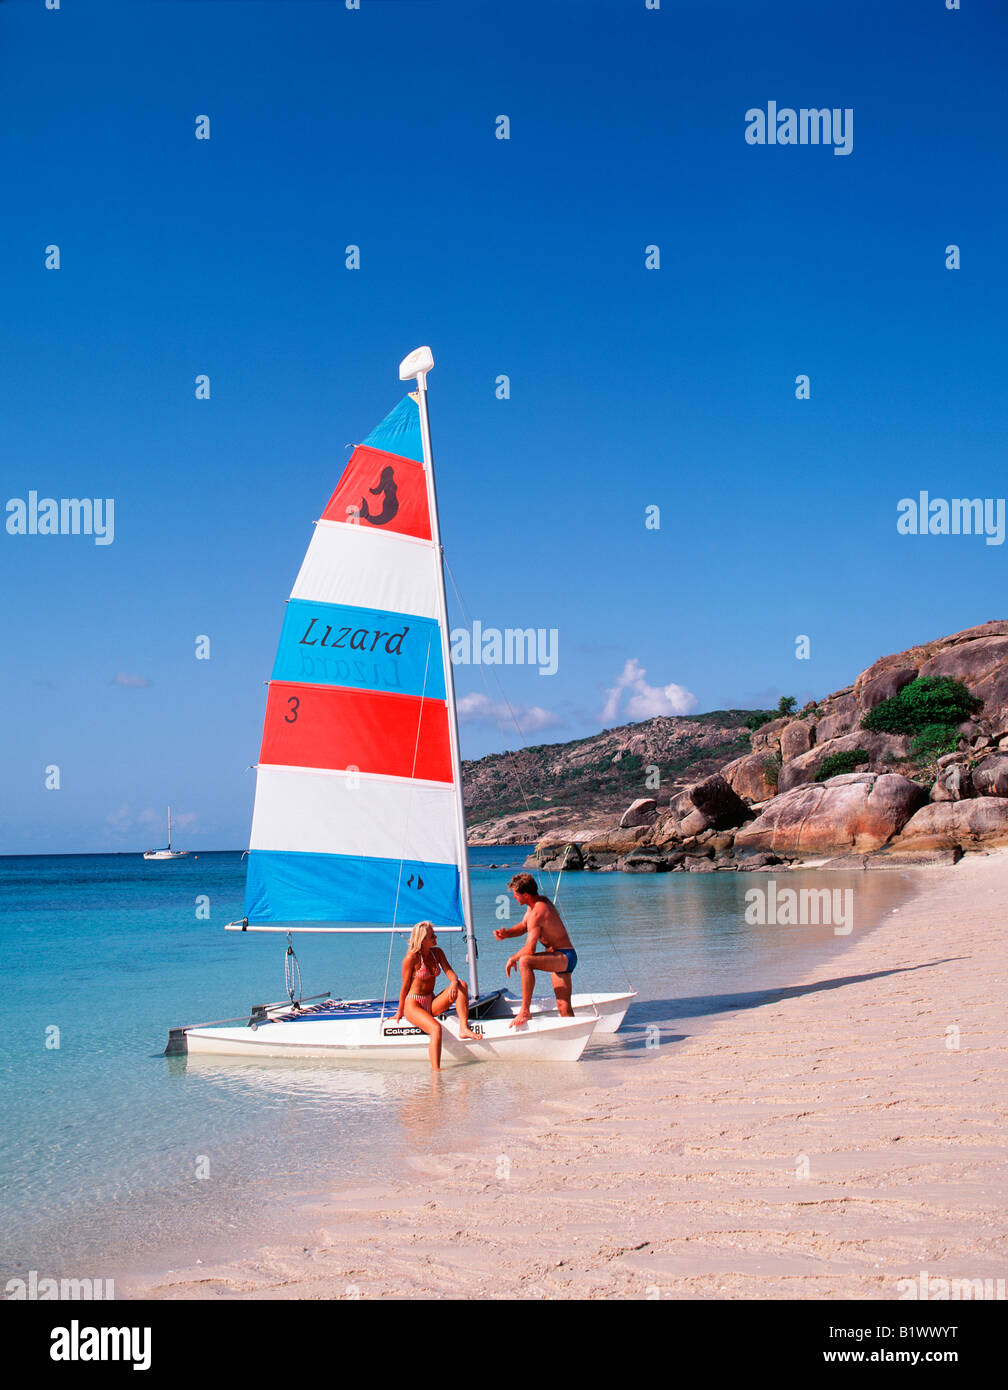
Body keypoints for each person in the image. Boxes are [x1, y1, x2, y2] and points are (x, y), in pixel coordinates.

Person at [494, 872, 578, 1028]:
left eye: (515, 894)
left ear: (525, 894)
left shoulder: (538, 911)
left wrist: (513, 958)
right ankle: (575, 1034)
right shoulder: (534, 905)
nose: (513, 897)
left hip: (563, 956)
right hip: (561, 957)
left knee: (525, 961)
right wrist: (506, 934)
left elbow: (530, 949)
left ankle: (524, 1011)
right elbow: (524, 926)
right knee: (563, 1005)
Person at [393, 920, 479, 1069]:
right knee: (435, 1029)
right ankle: (436, 1072)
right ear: (423, 939)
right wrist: (399, 1012)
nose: (436, 937)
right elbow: (404, 988)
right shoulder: (411, 958)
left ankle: (463, 1028)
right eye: (432, 936)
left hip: (431, 1001)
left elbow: (449, 972)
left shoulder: (437, 953)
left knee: (461, 985)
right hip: (414, 1004)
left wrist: (453, 982)